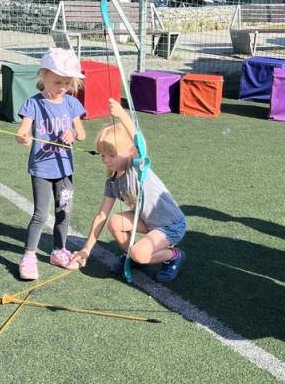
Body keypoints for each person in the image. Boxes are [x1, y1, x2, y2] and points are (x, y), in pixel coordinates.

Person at [70, 99, 187, 282]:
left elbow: (140, 143)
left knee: (139, 253)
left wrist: (122, 115)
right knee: (114, 222)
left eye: (112, 154)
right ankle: (134, 256)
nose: (106, 160)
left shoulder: (137, 167)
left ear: (131, 152)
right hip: (147, 221)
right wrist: (86, 249)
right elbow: (102, 216)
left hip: (170, 225)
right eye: (103, 155)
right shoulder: (112, 181)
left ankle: (173, 255)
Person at [16, 48, 87, 280]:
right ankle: (29, 256)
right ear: (43, 75)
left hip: (65, 170)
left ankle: (58, 251)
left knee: (63, 212)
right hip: (42, 170)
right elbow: (23, 131)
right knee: (40, 214)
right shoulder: (33, 104)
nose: (62, 87)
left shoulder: (72, 103)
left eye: (67, 83)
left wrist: (73, 133)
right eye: (57, 82)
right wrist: (23, 137)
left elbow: (82, 134)